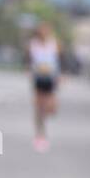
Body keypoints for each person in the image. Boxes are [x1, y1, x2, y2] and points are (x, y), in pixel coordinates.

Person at [26, 22, 62, 152]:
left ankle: (44, 119)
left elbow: (59, 60)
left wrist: (60, 75)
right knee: (38, 106)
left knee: (50, 108)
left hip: (50, 77)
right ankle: (40, 135)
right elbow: (29, 60)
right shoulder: (33, 44)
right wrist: (29, 71)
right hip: (39, 77)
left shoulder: (54, 43)